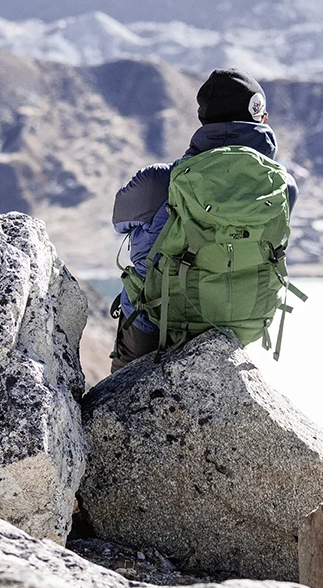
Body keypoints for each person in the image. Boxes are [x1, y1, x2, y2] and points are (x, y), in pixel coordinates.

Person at [109, 68, 299, 372]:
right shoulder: (284, 187)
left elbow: (120, 221)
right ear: (261, 119)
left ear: (203, 121)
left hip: (157, 328)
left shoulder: (159, 182)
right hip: (241, 323)